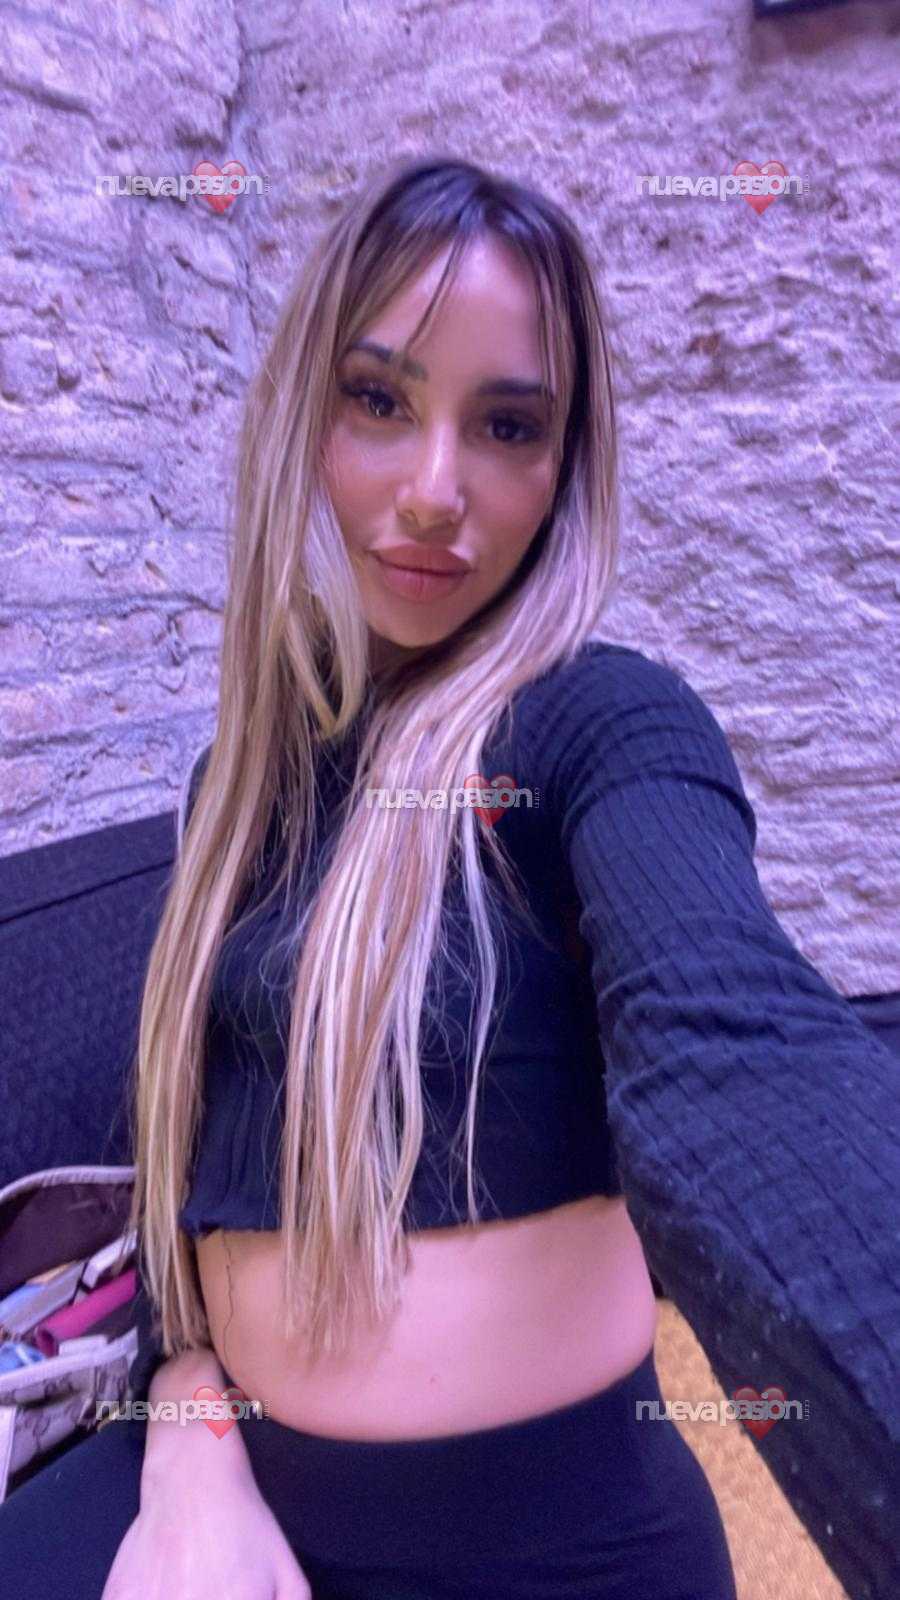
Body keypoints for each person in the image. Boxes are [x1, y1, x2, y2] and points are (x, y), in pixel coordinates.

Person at [1, 154, 897, 1600]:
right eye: (378, 400)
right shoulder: (241, 782)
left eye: (508, 424)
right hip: (235, 1505)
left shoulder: (602, 725)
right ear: (305, 417)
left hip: (560, 1553)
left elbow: (741, 1054)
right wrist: (188, 1441)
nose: (434, 492)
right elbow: (189, 1188)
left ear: (564, 468)